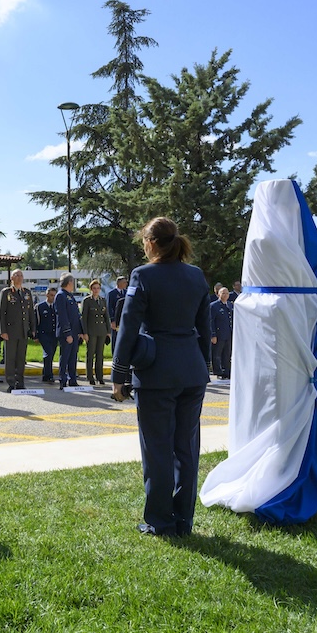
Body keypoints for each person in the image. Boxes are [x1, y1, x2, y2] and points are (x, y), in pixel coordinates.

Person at [110, 217, 211, 537]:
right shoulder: (196, 276)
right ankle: (183, 520)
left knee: (157, 450)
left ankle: (160, 521)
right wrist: (202, 366)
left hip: (156, 373)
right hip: (192, 372)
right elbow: (205, 328)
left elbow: (128, 326)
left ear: (152, 243)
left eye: (144, 241)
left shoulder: (143, 275)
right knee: (186, 450)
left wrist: (119, 373)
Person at [0, 269, 36, 392]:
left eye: (21, 275)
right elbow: (1, 313)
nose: (19, 277)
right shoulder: (7, 292)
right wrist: (3, 330)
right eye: (17, 275)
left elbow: (31, 313)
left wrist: (33, 328)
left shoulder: (27, 293)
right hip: (10, 331)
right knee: (10, 358)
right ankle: (11, 382)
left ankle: (20, 381)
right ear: (11, 278)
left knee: (21, 357)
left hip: (23, 330)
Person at [54, 273, 85, 389]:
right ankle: (63, 379)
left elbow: (76, 316)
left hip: (74, 332)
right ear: (70, 282)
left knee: (73, 357)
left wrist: (80, 332)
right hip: (66, 333)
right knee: (65, 357)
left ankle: (73, 379)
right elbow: (62, 316)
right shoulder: (61, 295)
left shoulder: (70, 296)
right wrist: (67, 333)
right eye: (73, 282)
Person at [82, 279, 111, 385]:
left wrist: (108, 331)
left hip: (101, 330)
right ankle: (90, 377)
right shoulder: (87, 301)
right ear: (91, 289)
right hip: (91, 331)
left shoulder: (103, 300)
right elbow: (84, 318)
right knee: (90, 354)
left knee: (100, 354)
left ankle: (100, 376)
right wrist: (85, 332)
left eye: (98, 288)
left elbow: (106, 316)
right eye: (94, 288)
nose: (96, 290)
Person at [209, 286, 233, 379]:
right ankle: (218, 371)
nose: (225, 295)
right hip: (219, 334)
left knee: (227, 353)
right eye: (223, 293)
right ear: (219, 294)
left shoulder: (229, 305)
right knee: (217, 354)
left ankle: (226, 371)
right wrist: (213, 334)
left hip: (228, 333)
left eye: (227, 293)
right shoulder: (214, 306)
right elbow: (211, 321)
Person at [35, 288, 58, 383]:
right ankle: (49, 375)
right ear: (47, 295)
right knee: (47, 353)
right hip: (44, 334)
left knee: (51, 354)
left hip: (54, 334)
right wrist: (35, 335)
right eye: (51, 295)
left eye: (54, 295)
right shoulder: (40, 306)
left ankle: (45, 373)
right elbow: (36, 321)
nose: (53, 297)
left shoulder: (57, 306)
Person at [107, 276, 128, 351]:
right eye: (124, 282)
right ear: (119, 283)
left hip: (125, 320)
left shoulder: (126, 293)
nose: (126, 284)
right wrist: (112, 320)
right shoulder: (112, 294)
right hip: (116, 321)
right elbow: (109, 307)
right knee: (115, 339)